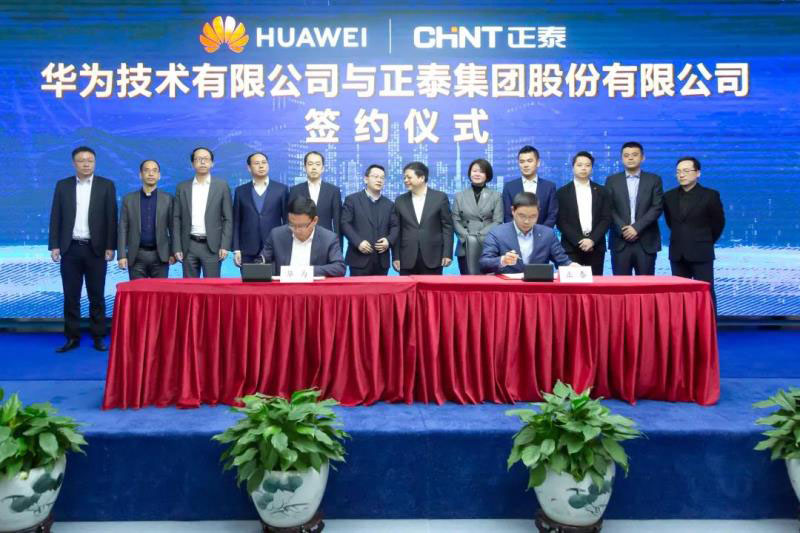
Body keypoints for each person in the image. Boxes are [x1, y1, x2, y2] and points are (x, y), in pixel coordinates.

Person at [48, 146, 117, 352]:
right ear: (74, 163)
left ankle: (98, 336)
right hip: (70, 249)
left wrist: (110, 246)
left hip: (96, 249)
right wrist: (54, 245)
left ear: (94, 162)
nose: (86, 164)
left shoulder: (106, 185)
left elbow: (111, 217)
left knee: (97, 295)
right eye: (81, 160)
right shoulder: (63, 185)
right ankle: (72, 337)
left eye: (90, 160)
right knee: (71, 296)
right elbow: (56, 216)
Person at [663, 157, 725, 307]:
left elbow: (718, 223)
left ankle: (708, 323)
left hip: (701, 251)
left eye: (686, 171)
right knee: (678, 295)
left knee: (705, 292)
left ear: (698, 173)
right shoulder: (668, 196)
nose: (681, 175)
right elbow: (670, 222)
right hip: (677, 253)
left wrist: (705, 240)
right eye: (678, 172)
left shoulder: (710, 195)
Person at [604, 141, 663, 275]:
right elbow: (608, 208)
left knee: (646, 285)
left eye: (635, 155)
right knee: (621, 285)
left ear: (643, 158)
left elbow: (657, 207)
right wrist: (624, 229)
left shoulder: (654, 180)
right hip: (620, 241)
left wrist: (636, 228)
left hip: (646, 241)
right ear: (622, 159)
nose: (630, 158)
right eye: (626, 155)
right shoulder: (612, 180)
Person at [172, 147, 233, 278]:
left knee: (212, 287)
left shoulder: (222, 186)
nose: (203, 162)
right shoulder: (182, 187)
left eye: (206, 159)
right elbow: (176, 218)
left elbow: (228, 218)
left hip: (213, 246)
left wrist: (225, 245)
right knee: (190, 287)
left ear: (212, 163)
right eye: (199, 159)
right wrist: (177, 247)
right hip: (188, 245)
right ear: (192, 164)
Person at [479, 192, 571, 274]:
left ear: (538, 212)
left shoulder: (548, 234)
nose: (527, 221)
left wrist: (573, 267)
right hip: (508, 285)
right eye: (522, 216)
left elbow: (563, 262)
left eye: (532, 216)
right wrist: (503, 260)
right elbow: (484, 264)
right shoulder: (497, 233)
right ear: (513, 211)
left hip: (537, 285)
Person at [392, 162, 454, 275]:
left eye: (409, 177)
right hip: (406, 257)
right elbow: (397, 230)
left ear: (421, 178)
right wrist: (396, 257)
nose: (405, 180)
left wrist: (447, 253)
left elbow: (447, 227)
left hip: (433, 256)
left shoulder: (440, 198)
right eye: (404, 177)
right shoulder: (400, 201)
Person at [555, 151, 612, 275]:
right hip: (571, 247)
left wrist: (592, 240)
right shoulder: (562, 193)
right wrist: (579, 241)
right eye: (579, 165)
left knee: (595, 284)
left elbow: (606, 218)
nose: (583, 168)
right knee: (571, 285)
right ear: (573, 167)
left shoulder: (602, 191)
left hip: (596, 247)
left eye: (587, 165)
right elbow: (561, 221)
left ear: (592, 168)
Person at [260, 196, 345, 277]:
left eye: (301, 226)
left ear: (314, 221)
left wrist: (307, 271)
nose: (296, 230)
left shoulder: (328, 238)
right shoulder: (276, 235)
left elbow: (339, 267)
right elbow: (261, 261)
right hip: (284, 286)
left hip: (313, 286)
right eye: (292, 225)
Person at [118, 159, 175, 279]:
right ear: (140, 175)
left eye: (154, 171)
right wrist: (122, 255)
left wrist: (172, 252)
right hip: (136, 256)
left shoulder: (168, 199)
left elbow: (173, 228)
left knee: (160, 291)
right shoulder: (129, 199)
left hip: (161, 256)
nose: (151, 174)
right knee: (137, 291)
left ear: (159, 175)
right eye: (147, 170)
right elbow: (122, 228)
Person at [341, 164, 399, 276]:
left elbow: (395, 226)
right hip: (358, 258)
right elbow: (345, 223)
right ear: (366, 179)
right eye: (375, 176)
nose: (379, 180)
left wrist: (388, 241)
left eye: (382, 178)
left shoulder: (389, 204)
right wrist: (358, 242)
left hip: (381, 260)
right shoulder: (352, 200)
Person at [233, 152, 289, 266]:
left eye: (264, 162)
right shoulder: (240, 191)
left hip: (274, 247)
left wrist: (285, 245)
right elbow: (236, 222)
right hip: (247, 249)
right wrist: (236, 249)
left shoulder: (281, 189)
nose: (261, 166)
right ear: (249, 168)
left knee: (274, 278)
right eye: (257, 163)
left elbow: (287, 220)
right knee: (249, 278)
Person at [452, 158, 503, 274]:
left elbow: (498, 221)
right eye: (474, 171)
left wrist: (479, 236)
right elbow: (455, 219)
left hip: (487, 245)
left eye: (481, 171)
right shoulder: (459, 196)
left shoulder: (496, 196)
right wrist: (468, 238)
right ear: (470, 173)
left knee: (487, 281)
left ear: (487, 175)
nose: (477, 174)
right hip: (465, 245)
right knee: (466, 281)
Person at [288, 151, 342, 240]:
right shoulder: (295, 190)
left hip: (326, 240)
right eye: (310, 164)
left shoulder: (333, 191)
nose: (314, 168)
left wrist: (337, 244)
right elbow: (290, 219)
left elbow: (337, 221)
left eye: (317, 164)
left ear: (323, 168)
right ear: (305, 167)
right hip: (301, 239)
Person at [502, 145, 558, 227]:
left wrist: (541, 232)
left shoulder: (549, 187)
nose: (525, 165)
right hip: (516, 234)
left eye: (529, 161)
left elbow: (552, 215)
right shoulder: (509, 187)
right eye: (522, 162)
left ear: (538, 163)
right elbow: (507, 216)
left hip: (542, 233)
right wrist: (519, 232)